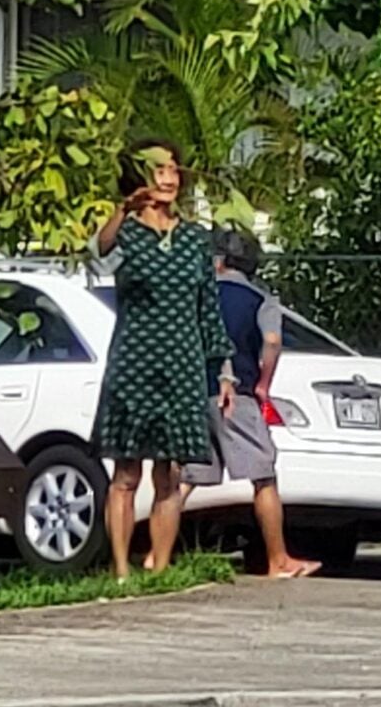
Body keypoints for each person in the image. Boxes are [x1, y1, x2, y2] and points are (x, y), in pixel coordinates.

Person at [91, 143, 234, 579]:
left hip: (182, 367)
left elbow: (208, 306)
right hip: (134, 364)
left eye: (174, 170)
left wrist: (224, 371)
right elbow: (98, 255)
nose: (169, 179)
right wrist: (121, 210)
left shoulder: (193, 238)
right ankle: (119, 570)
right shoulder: (127, 233)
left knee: (170, 474)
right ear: (140, 176)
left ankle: (160, 569)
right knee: (126, 472)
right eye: (159, 170)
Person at [194, 228, 319, 579]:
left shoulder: (200, 296)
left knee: (184, 480)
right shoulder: (260, 300)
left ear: (218, 261)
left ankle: (156, 558)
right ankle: (278, 560)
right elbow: (273, 340)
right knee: (264, 476)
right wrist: (264, 383)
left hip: (196, 393)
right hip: (238, 394)